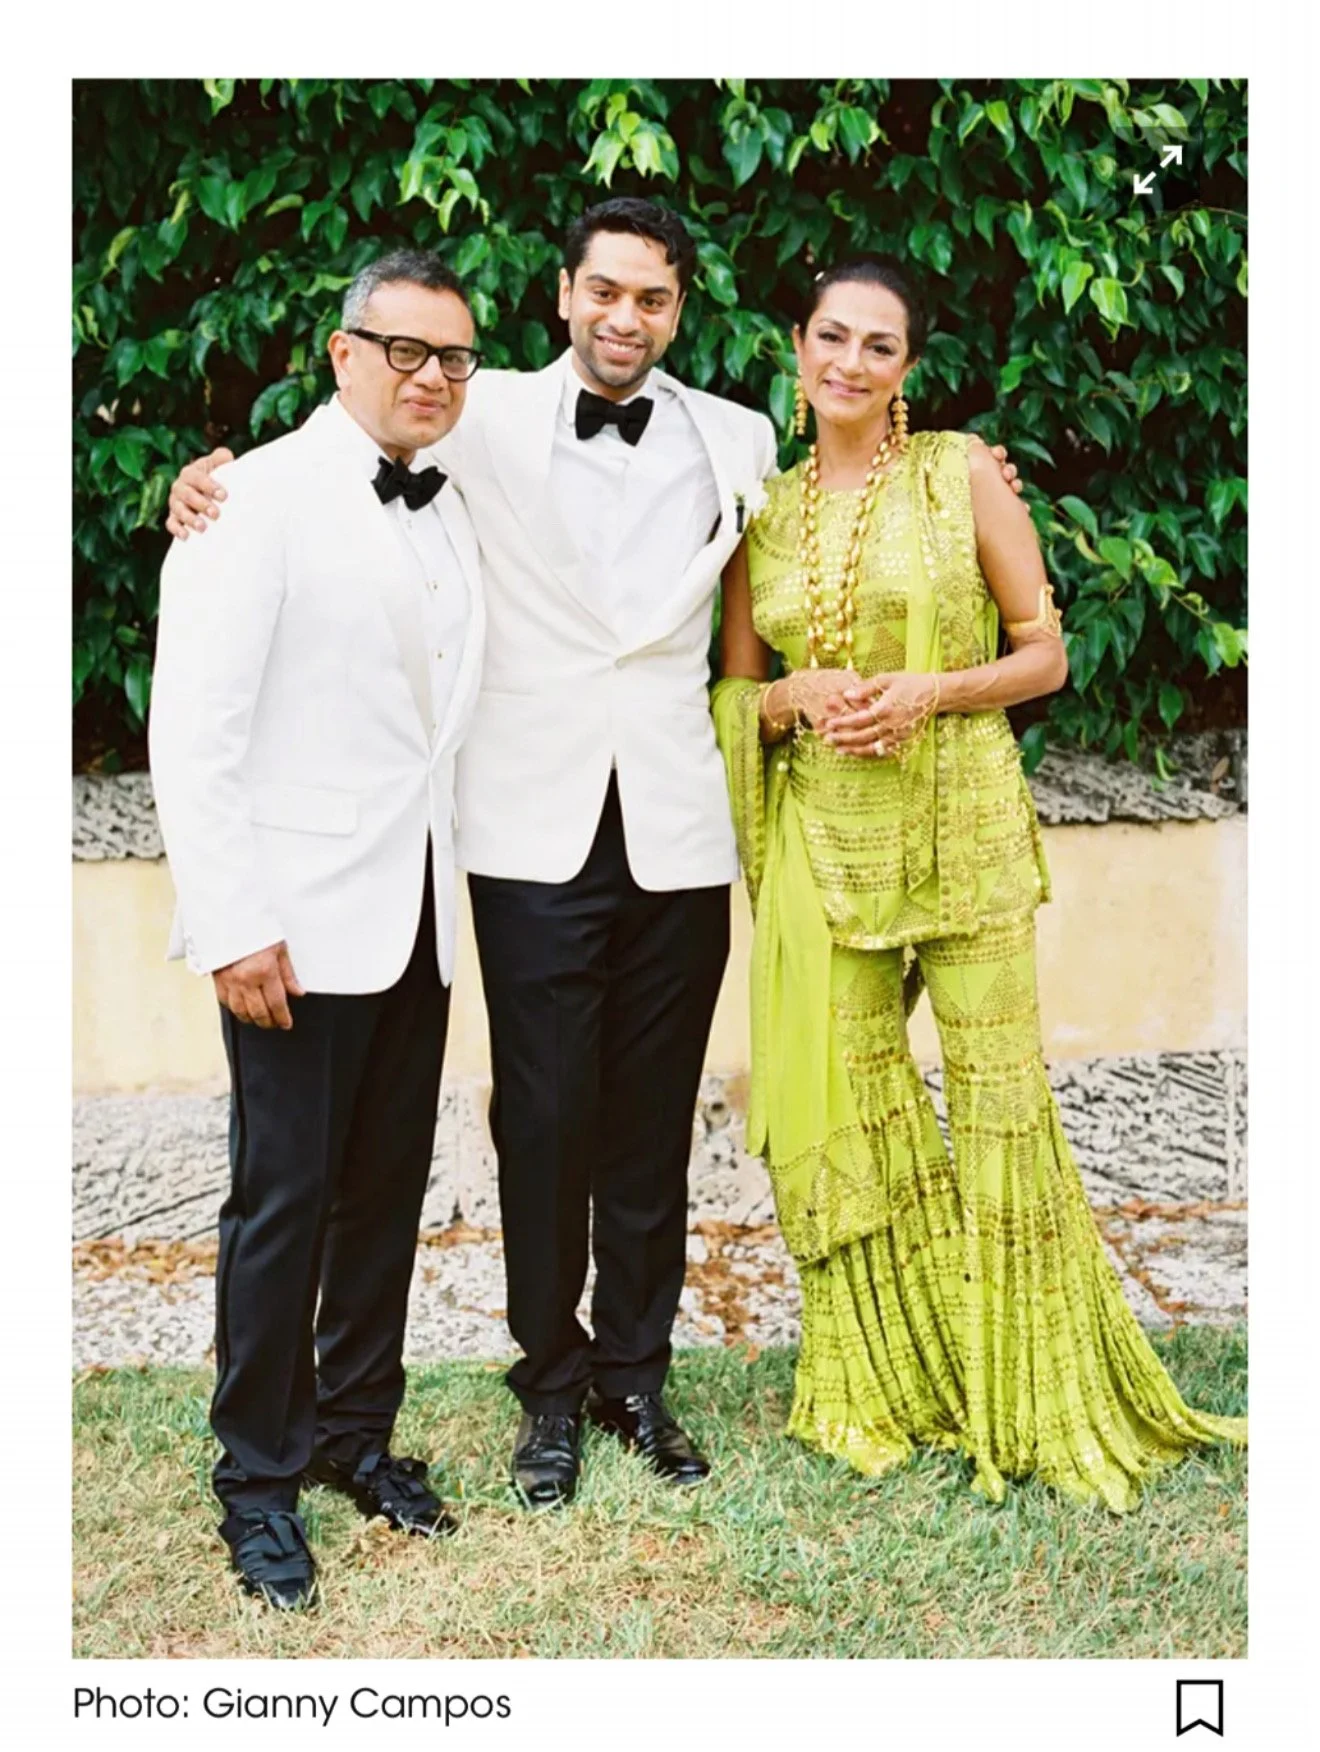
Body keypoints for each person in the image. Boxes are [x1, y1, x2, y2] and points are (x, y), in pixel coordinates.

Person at [166, 201, 1023, 1511]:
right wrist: (208, 480)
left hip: (680, 831)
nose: (627, 318)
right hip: (525, 831)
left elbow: (859, 474)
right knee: (544, 1120)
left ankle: (635, 1373)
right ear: (564, 295)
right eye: (605, 293)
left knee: (648, 1129)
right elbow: (342, 462)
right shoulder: (477, 406)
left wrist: (973, 477)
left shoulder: (737, 438)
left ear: (681, 309)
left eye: (655, 299)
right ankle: (548, 1386)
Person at [713, 254, 1247, 1511]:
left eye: (878, 345)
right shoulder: (763, 510)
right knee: (852, 1117)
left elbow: (1045, 653)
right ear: (796, 345)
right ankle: (886, 1382)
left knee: (1003, 1111)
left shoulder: (960, 473)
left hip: (964, 834)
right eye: (830, 336)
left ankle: (1036, 1392)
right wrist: (789, 697)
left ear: (911, 367)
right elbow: (737, 689)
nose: (848, 363)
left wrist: (929, 692)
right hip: (827, 857)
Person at [150, 251, 486, 1606]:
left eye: (455, 358)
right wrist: (232, 924)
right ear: (341, 352)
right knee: (281, 1209)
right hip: (287, 928)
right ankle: (256, 1481)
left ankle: (357, 1437)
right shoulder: (253, 497)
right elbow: (196, 729)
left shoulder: (459, 498)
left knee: (385, 1200)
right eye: (403, 350)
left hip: (416, 918)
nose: (431, 376)